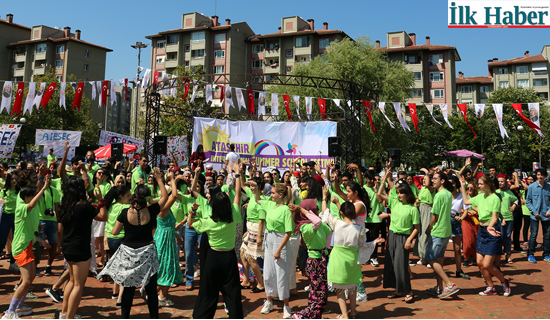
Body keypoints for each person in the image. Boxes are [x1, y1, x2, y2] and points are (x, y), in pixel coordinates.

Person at [98, 168, 169, 318]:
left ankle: (125, 317)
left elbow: (116, 232)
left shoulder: (125, 212)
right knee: (151, 290)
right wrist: (159, 180)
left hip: (129, 253)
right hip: (147, 253)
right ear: (146, 197)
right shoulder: (151, 210)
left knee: (128, 288)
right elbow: (164, 196)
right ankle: (154, 317)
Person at [189, 161, 244, 319]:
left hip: (212, 257)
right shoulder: (233, 214)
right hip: (228, 257)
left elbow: (191, 224)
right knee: (232, 292)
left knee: (208, 292)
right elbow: (238, 194)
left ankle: (202, 316)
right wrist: (237, 173)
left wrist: (193, 211)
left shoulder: (209, 221)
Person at [58, 175, 108, 319]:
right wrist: (101, 200)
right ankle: (70, 317)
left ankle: (64, 313)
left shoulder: (64, 205)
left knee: (72, 281)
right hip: (80, 247)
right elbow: (103, 217)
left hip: (67, 246)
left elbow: (60, 229)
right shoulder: (83, 205)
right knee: (79, 285)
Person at [3, 177, 52, 319]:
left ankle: (19, 307)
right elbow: (30, 205)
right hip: (21, 248)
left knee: (29, 279)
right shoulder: (21, 208)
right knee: (25, 281)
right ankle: (9, 313)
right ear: (27, 197)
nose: (37, 196)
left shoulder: (31, 212)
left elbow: (29, 232)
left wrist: (41, 241)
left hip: (27, 245)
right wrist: (43, 188)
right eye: (34, 194)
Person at [325, 201, 384, 318]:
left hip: (338, 257)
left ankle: (344, 315)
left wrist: (324, 198)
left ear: (341, 213)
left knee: (340, 288)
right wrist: (374, 242)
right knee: (352, 286)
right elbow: (363, 245)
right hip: (352, 257)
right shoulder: (359, 229)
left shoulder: (336, 223)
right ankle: (352, 311)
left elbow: (325, 213)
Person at [460, 175, 511, 296]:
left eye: (481, 184)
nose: (479, 186)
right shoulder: (480, 196)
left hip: (492, 231)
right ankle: (491, 286)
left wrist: (490, 227)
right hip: (482, 231)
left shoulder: (495, 198)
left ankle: (504, 282)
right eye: (478, 183)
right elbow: (466, 201)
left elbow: (494, 217)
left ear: (488, 185)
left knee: (487, 264)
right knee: (479, 263)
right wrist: (462, 186)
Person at [377, 162, 419, 303]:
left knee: (401, 265)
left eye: (401, 192)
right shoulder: (394, 202)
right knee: (391, 264)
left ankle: (409, 291)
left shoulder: (413, 209)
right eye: (398, 192)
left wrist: (409, 240)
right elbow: (379, 194)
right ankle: (398, 290)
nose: (399, 194)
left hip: (404, 238)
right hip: (393, 236)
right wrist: (385, 178)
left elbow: (417, 229)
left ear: (407, 193)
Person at [288, 199, 331, 319]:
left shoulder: (318, 223)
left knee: (318, 294)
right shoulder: (305, 227)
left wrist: (326, 248)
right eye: (315, 208)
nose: (317, 210)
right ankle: (300, 316)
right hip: (314, 262)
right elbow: (317, 221)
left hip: (321, 260)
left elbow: (329, 232)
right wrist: (301, 209)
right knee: (320, 297)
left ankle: (315, 316)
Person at [259, 184, 294, 319]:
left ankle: (286, 305)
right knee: (267, 274)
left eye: (273, 193)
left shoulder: (286, 209)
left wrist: (279, 249)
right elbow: (257, 199)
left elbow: (288, 232)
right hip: (269, 240)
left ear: (280, 195)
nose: (270, 195)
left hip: (281, 242)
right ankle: (269, 301)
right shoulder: (271, 205)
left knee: (281, 275)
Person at [154, 173, 183, 306]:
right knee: (166, 268)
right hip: (164, 242)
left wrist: (177, 237)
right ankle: (159, 297)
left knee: (165, 268)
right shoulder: (162, 209)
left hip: (167, 240)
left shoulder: (167, 210)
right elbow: (174, 195)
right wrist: (172, 180)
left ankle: (159, 296)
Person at [103, 185, 131, 309]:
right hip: (121, 238)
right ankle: (120, 298)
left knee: (117, 266)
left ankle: (115, 292)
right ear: (121, 196)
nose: (130, 198)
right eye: (128, 196)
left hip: (110, 239)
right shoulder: (125, 207)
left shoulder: (110, 206)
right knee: (124, 269)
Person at [240, 178, 266, 293]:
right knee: (243, 253)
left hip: (256, 229)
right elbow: (242, 184)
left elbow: (261, 220)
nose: (250, 188)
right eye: (250, 186)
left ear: (259, 187)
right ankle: (246, 280)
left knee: (252, 258)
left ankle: (261, 284)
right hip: (249, 227)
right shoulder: (252, 195)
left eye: (253, 186)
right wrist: (239, 172)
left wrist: (259, 236)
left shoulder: (262, 199)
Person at [525, 168, 550, 263]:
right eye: (538, 175)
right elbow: (528, 201)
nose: (540, 177)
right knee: (533, 235)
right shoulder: (531, 187)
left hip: (546, 215)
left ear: (545, 176)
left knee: (547, 235)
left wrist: (549, 210)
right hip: (534, 215)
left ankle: (546, 254)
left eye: (542, 175)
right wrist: (534, 211)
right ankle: (530, 254)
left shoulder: (548, 187)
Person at [37, 178, 61, 276]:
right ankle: (36, 267)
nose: (48, 179)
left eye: (49, 177)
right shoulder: (38, 190)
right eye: (45, 178)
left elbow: (56, 207)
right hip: (40, 220)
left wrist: (58, 220)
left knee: (54, 244)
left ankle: (48, 266)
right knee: (40, 246)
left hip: (52, 220)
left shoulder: (54, 191)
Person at [448, 175, 470, 279]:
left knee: (457, 249)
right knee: (442, 248)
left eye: (453, 183)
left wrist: (461, 218)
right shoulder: (445, 194)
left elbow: (466, 210)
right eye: (449, 183)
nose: (451, 185)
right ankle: (439, 271)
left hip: (456, 221)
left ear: (456, 184)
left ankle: (458, 270)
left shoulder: (461, 196)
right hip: (445, 221)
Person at [496, 174, 518, 264]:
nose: (500, 183)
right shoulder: (495, 192)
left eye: (502, 181)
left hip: (509, 217)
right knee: (499, 237)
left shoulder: (509, 192)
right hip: (499, 218)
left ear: (506, 182)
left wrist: (514, 205)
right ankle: (497, 256)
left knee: (508, 237)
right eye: (499, 182)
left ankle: (508, 255)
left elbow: (516, 199)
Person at [0, 172, 20, 272]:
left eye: (16, 179)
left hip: (17, 217)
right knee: (2, 241)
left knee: (15, 241)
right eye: (12, 179)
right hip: (5, 216)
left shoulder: (19, 191)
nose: (14, 181)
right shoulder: (3, 191)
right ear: (8, 180)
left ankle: (12, 263)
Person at [414, 174, 435, 267]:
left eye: (425, 179)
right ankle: (422, 256)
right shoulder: (422, 188)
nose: (423, 181)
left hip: (427, 210)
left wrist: (427, 173)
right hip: (420, 209)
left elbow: (429, 187)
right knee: (420, 232)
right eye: (423, 179)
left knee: (426, 233)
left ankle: (429, 257)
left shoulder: (432, 189)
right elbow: (418, 198)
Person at [460, 181, 479, 267]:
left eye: (471, 188)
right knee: (467, 240)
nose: (470, 190)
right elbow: (459, 209)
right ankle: (466, 258)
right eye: (468, 188)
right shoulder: (464, 197)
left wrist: (475, 211)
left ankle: (475, 258)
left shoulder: (478, 198)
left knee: (476, 239)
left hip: (476, 221)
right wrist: (466, 211)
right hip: (466, 220)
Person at [520, 175, 535, 253]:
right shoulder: (523, 189)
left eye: (532, 179)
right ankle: (525, 241)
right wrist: (521, 199)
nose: (530, 181)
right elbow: (520, 195)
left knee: (533, 228)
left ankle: (533, 241)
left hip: (534, 210)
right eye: (529, 179)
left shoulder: (534, 188)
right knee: (526, 225)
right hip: (525, 210)